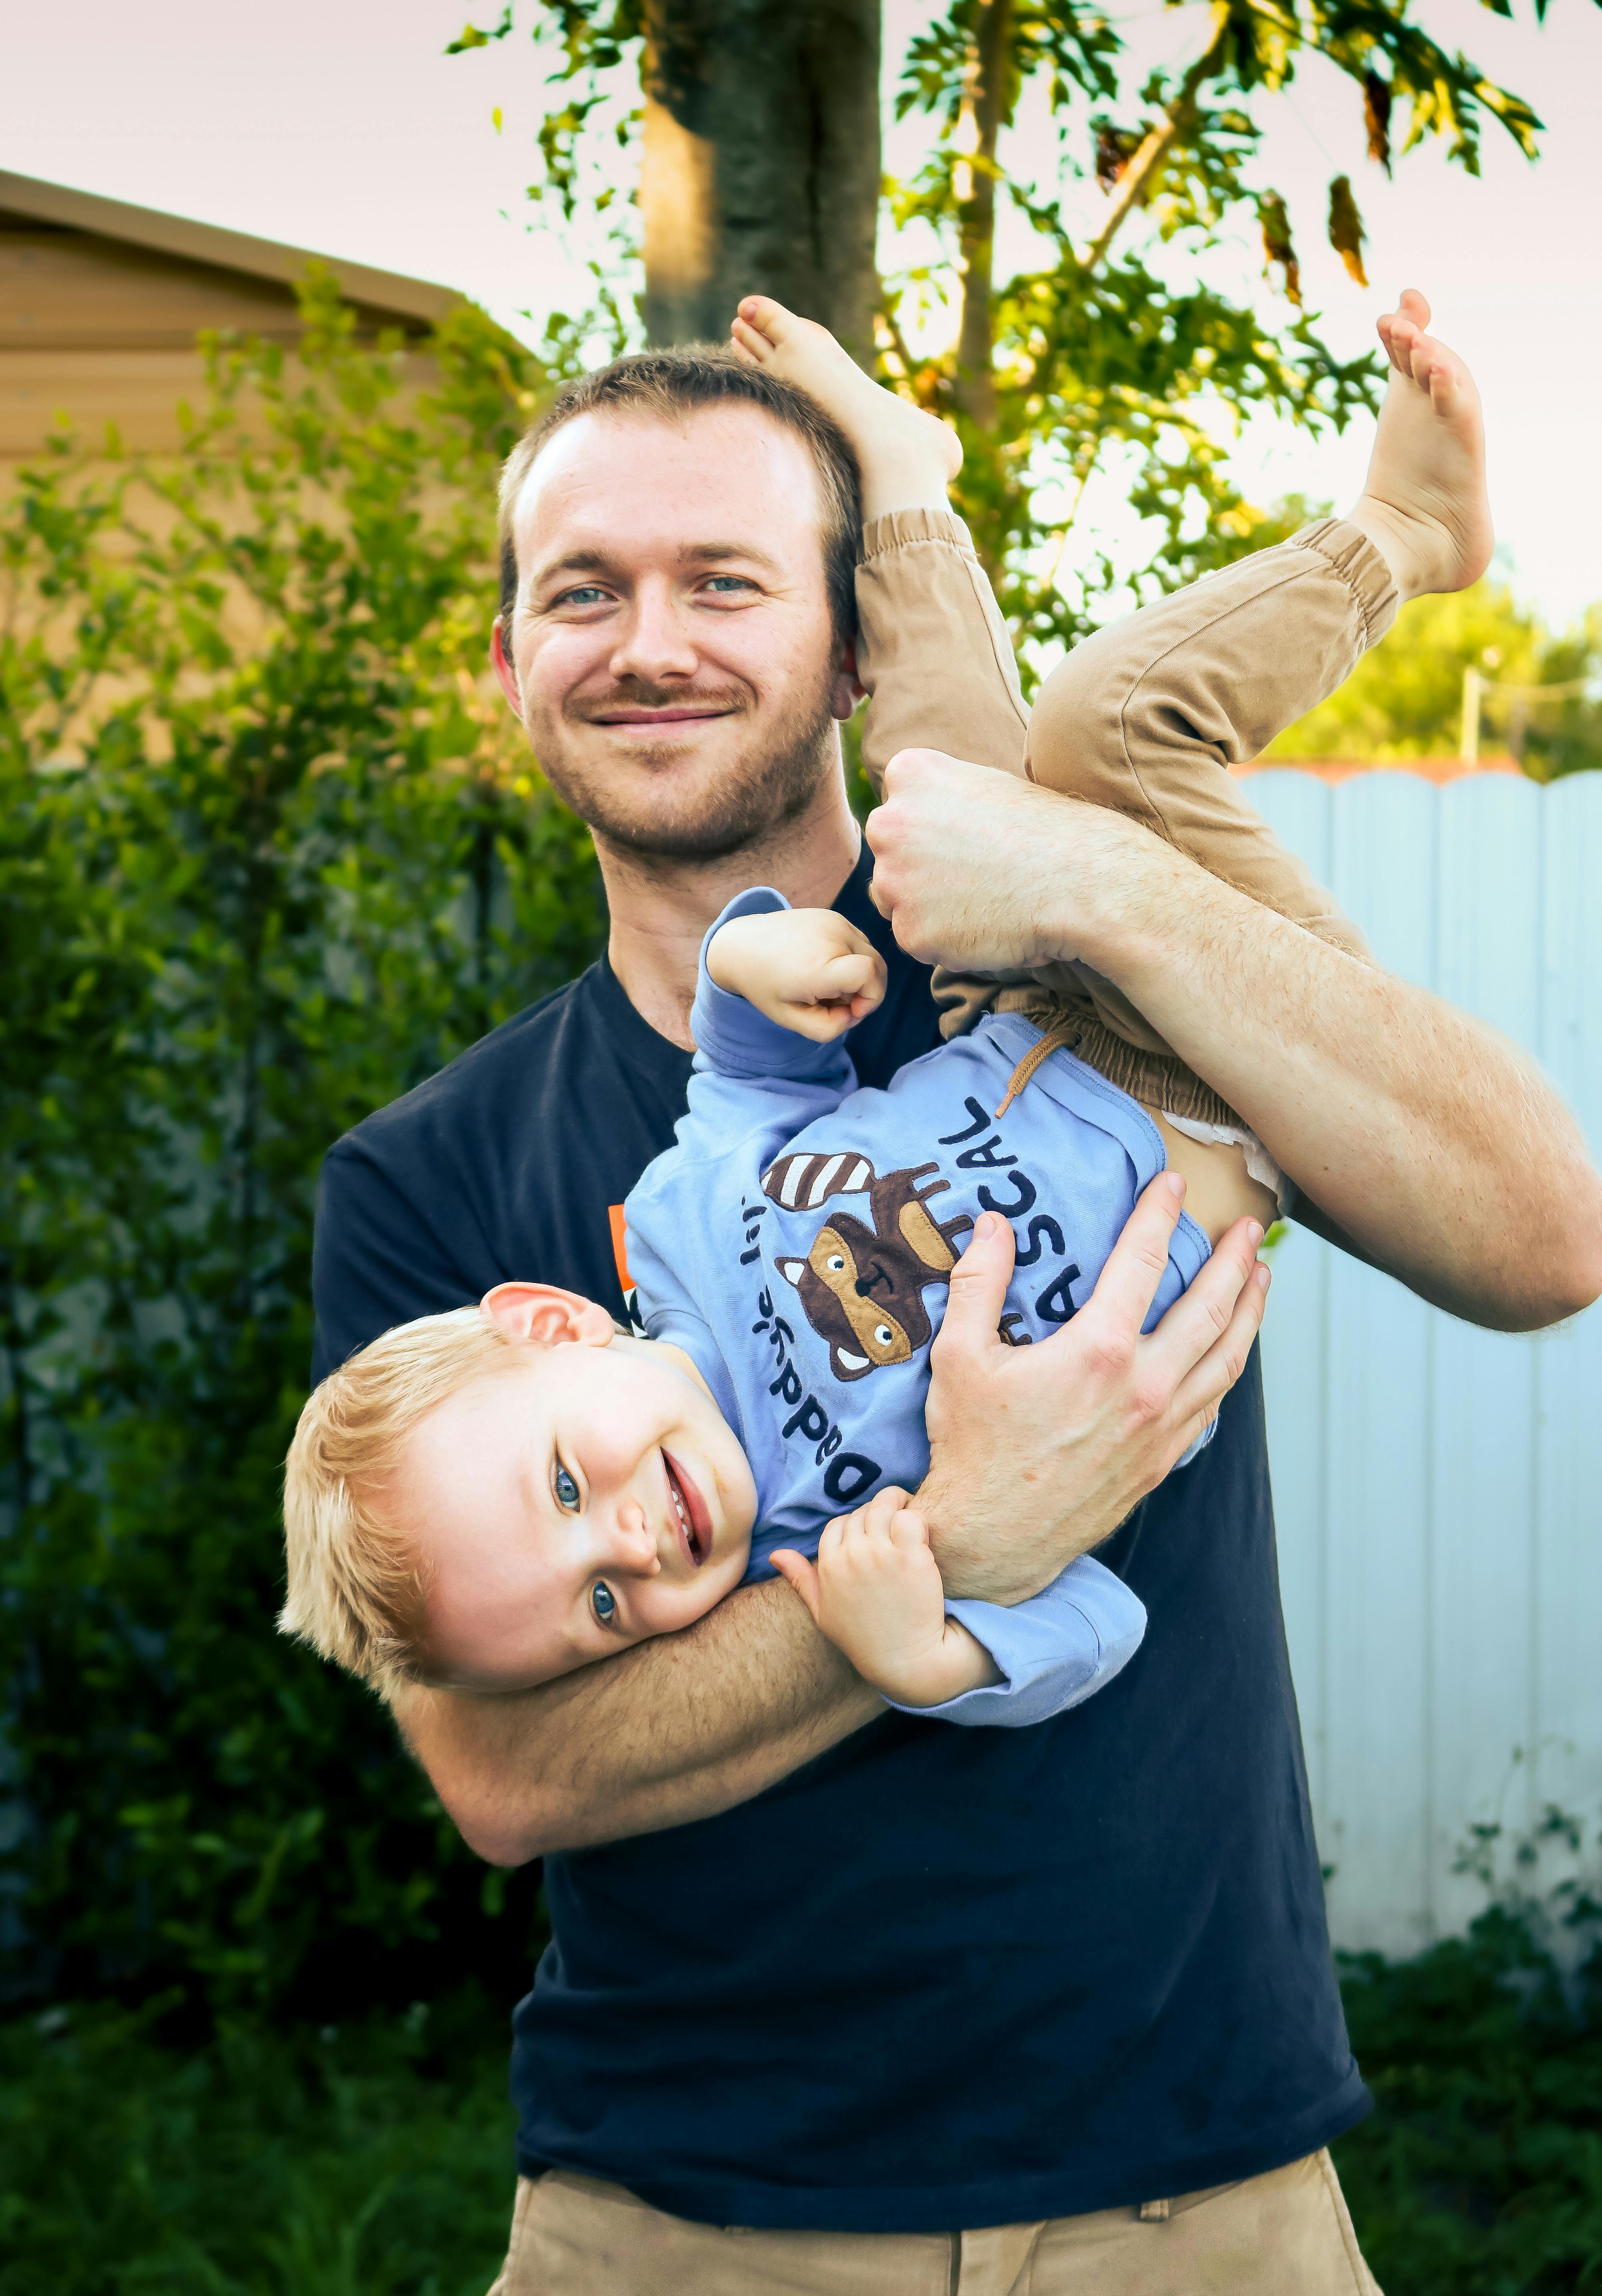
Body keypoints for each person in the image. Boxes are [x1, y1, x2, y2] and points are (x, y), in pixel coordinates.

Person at [309, 288, 1602, 2290]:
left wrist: (1098, 888)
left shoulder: (1055, 940)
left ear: (841, 645)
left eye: (723, 579)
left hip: (1199, 2190)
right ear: (508, 662)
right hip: (680, 2219)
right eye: (584, 590)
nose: (648, 641)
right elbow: (504, 1771)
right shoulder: (426, 1181)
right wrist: (965, 1547)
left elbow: (1545, 1235)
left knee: (1083, 739)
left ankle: (1297, 531)